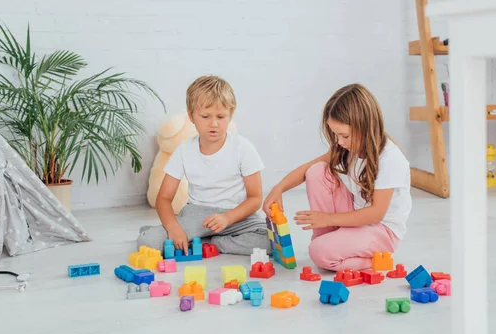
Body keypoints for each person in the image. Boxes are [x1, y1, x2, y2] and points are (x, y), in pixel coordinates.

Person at [263, 83, 411, 270]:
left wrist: (328, 218)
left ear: (365, 127)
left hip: (382, 230)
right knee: (317, 171)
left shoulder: (390, 158)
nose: (340, 142)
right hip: (355, 215)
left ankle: (379, 258)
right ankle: (329, 241)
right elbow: (308, 168)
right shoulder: (349, 147)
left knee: (319, 253)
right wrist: (278, 189)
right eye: (336, 135)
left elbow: (376, 213)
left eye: (344, 136)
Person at [137, 75, 270, 255]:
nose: (213, 124)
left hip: (238, 217)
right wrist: (173, 228)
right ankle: (198, 239)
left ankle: (213, 243)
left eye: (221, 116)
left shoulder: (243, 147)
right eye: (205, 116)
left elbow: (255, 199)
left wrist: (227, 218)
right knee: (148, 242)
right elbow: (163, 199)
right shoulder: (184, 150)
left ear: (230, 115)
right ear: (191, 116)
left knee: (270, 243)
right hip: (197, 217)